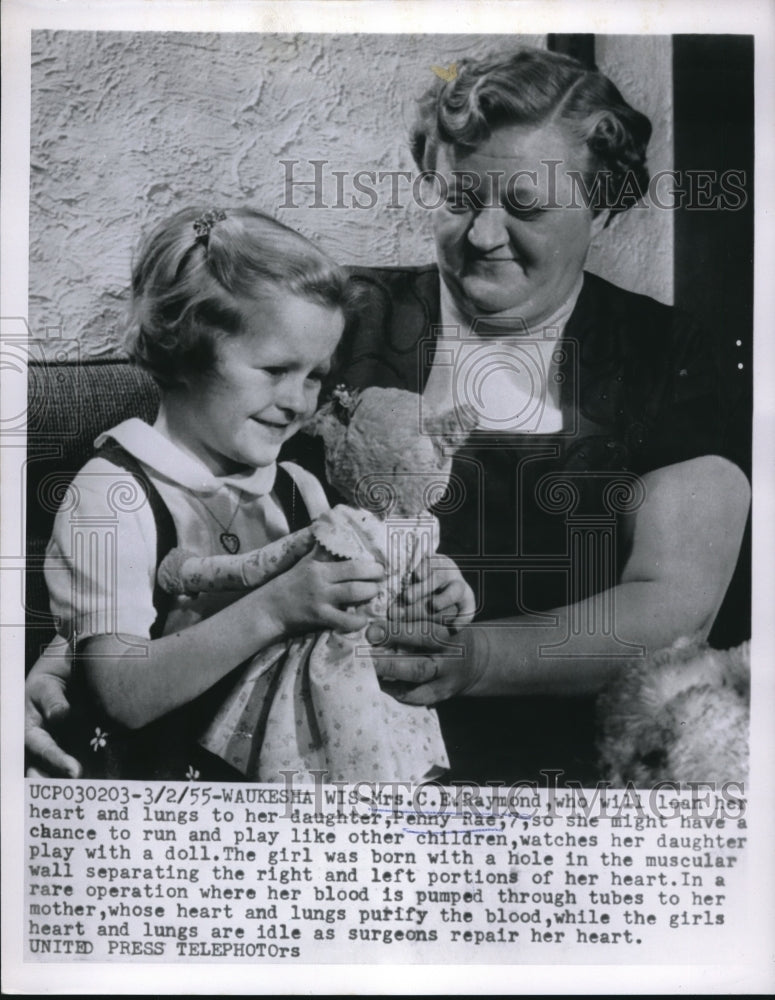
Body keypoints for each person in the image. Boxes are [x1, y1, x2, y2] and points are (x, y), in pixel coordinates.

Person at [27, 48, 750, 784]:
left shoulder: (666, 355)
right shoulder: (347, 316)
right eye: (457, 199)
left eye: (526, 206)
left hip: (549, 756)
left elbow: (676, 607)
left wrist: (476, 658)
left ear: (602, 202)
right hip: (309, 750)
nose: (482, 235)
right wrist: (71, 656)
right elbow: (180, 478)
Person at [37, 205, 467, 781]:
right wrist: (276, 608)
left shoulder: (300, 489)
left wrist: (415, 590)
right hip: (153, 797)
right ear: (184, 348)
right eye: (274, 370)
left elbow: (349, 626)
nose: (298, 402)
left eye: (315, 376)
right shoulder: (111, 495)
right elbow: (122, 693)